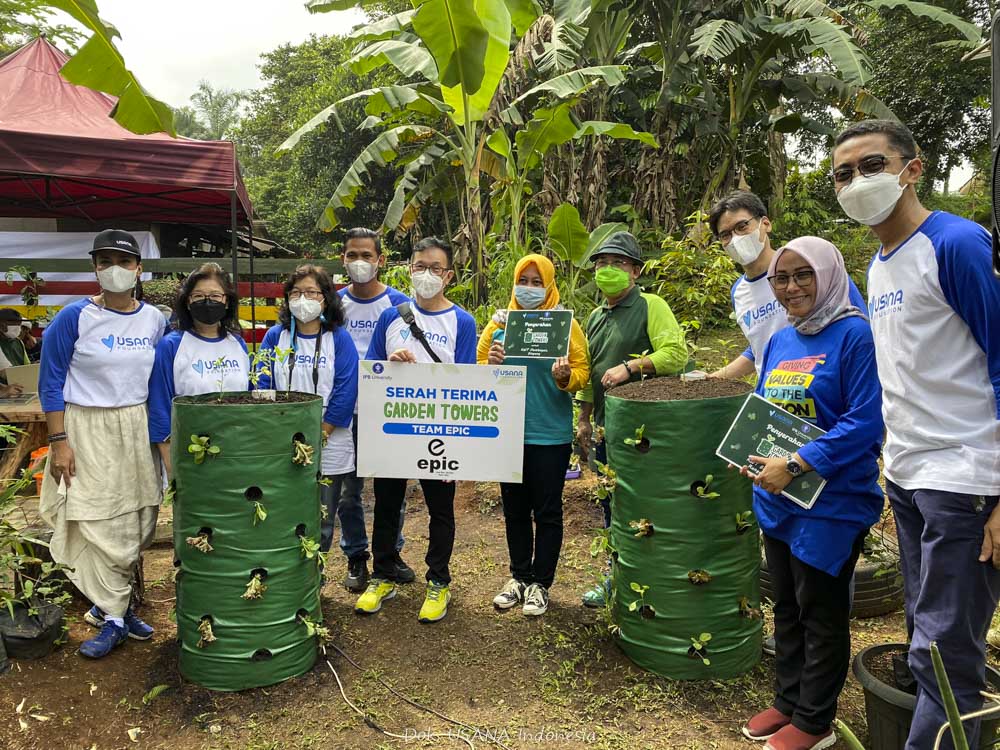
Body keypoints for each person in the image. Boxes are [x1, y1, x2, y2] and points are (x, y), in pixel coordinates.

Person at [832, 119, 1000, 750]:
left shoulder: (957, 245)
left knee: (946, 651)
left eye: (870, 165)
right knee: (925, 634)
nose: (856, 182)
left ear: (912, 168)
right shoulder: (878, 265)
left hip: (965, 477)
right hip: (907, 475)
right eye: (843, 174)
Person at [735, 237, 883, 750]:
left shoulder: (855, 337)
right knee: (787, 607)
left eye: (803, 275)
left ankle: (816, 720)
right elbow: (763, 407)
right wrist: (747, 454)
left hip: (831, 505)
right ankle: (788, 700)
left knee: (822, 613)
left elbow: (867, 423)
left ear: (828, 274)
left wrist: (797, 463)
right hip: (779, 501)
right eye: (782, 278)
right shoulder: (780, 339)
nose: (792, 287)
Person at [37, 229, 165, 658]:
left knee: (139, 516)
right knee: (97, 518)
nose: (115, 270)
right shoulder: (73, 318)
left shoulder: (154, 320)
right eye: (105, 261)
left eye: (124, 262)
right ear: (95, 267)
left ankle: (117, 603)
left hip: (136, 425)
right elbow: (50, 382)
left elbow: (157, 380)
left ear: (138, 269)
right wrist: (59, 442)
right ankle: (112, 617)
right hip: (86, 428)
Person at [355, 237, 477, 623]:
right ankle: (383, 575)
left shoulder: (462, 321)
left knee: (441, 509)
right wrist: (390, 361)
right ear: (408, 269)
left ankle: (439, 581)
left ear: (449, 275)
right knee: (387, 504)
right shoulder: (391, 317)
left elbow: (468, 382)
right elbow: (372, 371)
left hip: (440, 432)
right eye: (419, 266)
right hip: (395, 429)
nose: (427, 274)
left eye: (435, 268)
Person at [575, 231, 687, 607]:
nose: (608, 270)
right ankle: (617, 578)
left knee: (647, 507)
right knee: (612, 507)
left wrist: (632, 367)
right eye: (601, 264)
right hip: (608, 427)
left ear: (636, 271)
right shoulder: (595, 315)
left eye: (617, 263)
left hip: (645, 433)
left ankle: (655, 582)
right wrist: (585, 419)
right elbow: (590, 374)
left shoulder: (651, 306)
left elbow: (676, 354)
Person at [478, 254, 590, 616]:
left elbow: (582, 370)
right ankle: (519, 577)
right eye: (522, 281)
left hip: (550, 433)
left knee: (548, 511)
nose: (528, 288)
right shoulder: (499, 324)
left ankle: (541, 584)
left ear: (549, 284)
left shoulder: (564, 324)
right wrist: (490, 365)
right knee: (514, 510)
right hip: (507, 432)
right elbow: (478, 368)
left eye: (536, 281)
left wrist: (565, 378)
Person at [255, 265, 359, 561]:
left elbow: (345, 388)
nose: (304, 298)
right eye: (297, 292)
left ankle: (315, 574)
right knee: (283, 505)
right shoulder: (275, 337)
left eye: (312, 292)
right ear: (287, 298)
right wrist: (273, 426)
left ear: (326, 298)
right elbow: (261, 381)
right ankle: (286, 571)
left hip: (329, 436)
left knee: (323, 512)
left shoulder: (338, 339)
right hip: (279, 435)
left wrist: (321, 433)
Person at [706, 191, 866, 379]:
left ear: (765, 224)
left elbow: (861, 326)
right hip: (774, 395)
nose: (735, 239)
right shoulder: (738, 292)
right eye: (725, 235)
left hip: (823, 388)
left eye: (742, 226)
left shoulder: (817, 271)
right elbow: (758, 348)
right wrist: (713, 379)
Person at [336, 228, 412, 592]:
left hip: (386, 414)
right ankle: (355, 555)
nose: (360, 262)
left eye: (367, 255)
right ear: (343, 260)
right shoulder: (332, 305)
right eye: (353, 255)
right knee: (348, 492)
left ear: (381, 260)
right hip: (342, 414)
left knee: (391, 491)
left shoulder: (399, 304)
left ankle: (390, 552)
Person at [148, 263, 250, 476]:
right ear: (187, 301)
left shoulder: (237, 344)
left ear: (227, 300)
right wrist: (170, 462)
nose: (207, 301)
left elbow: (248, 399)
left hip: (237, 451)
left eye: (215, 296)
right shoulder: (172, 345)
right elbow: (160, 405)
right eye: (199, 296)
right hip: (190, 455)